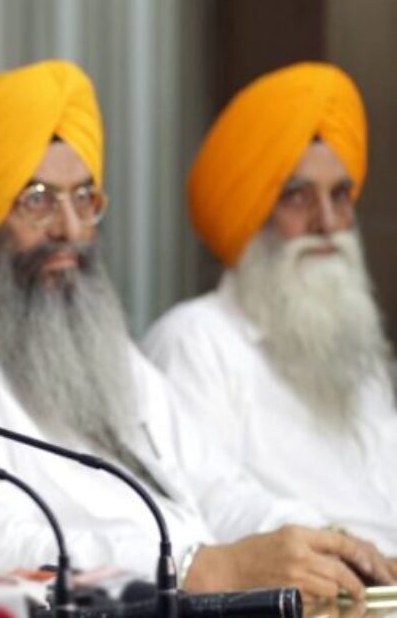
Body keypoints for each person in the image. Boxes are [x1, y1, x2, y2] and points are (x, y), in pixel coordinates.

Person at [0, 60, 396, 601]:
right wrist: (193, 567)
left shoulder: (105, 347)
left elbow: (216, 486)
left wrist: (332, 547)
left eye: (83, 199)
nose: (70, 230)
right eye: (37, 200)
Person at [143, 62, 397, 555]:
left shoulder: (358, 353)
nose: (327, 222)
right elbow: (200, 505)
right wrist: (337, 551)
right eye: (297, 197)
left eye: (340, 196)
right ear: (255, 211)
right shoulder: (196, 341)